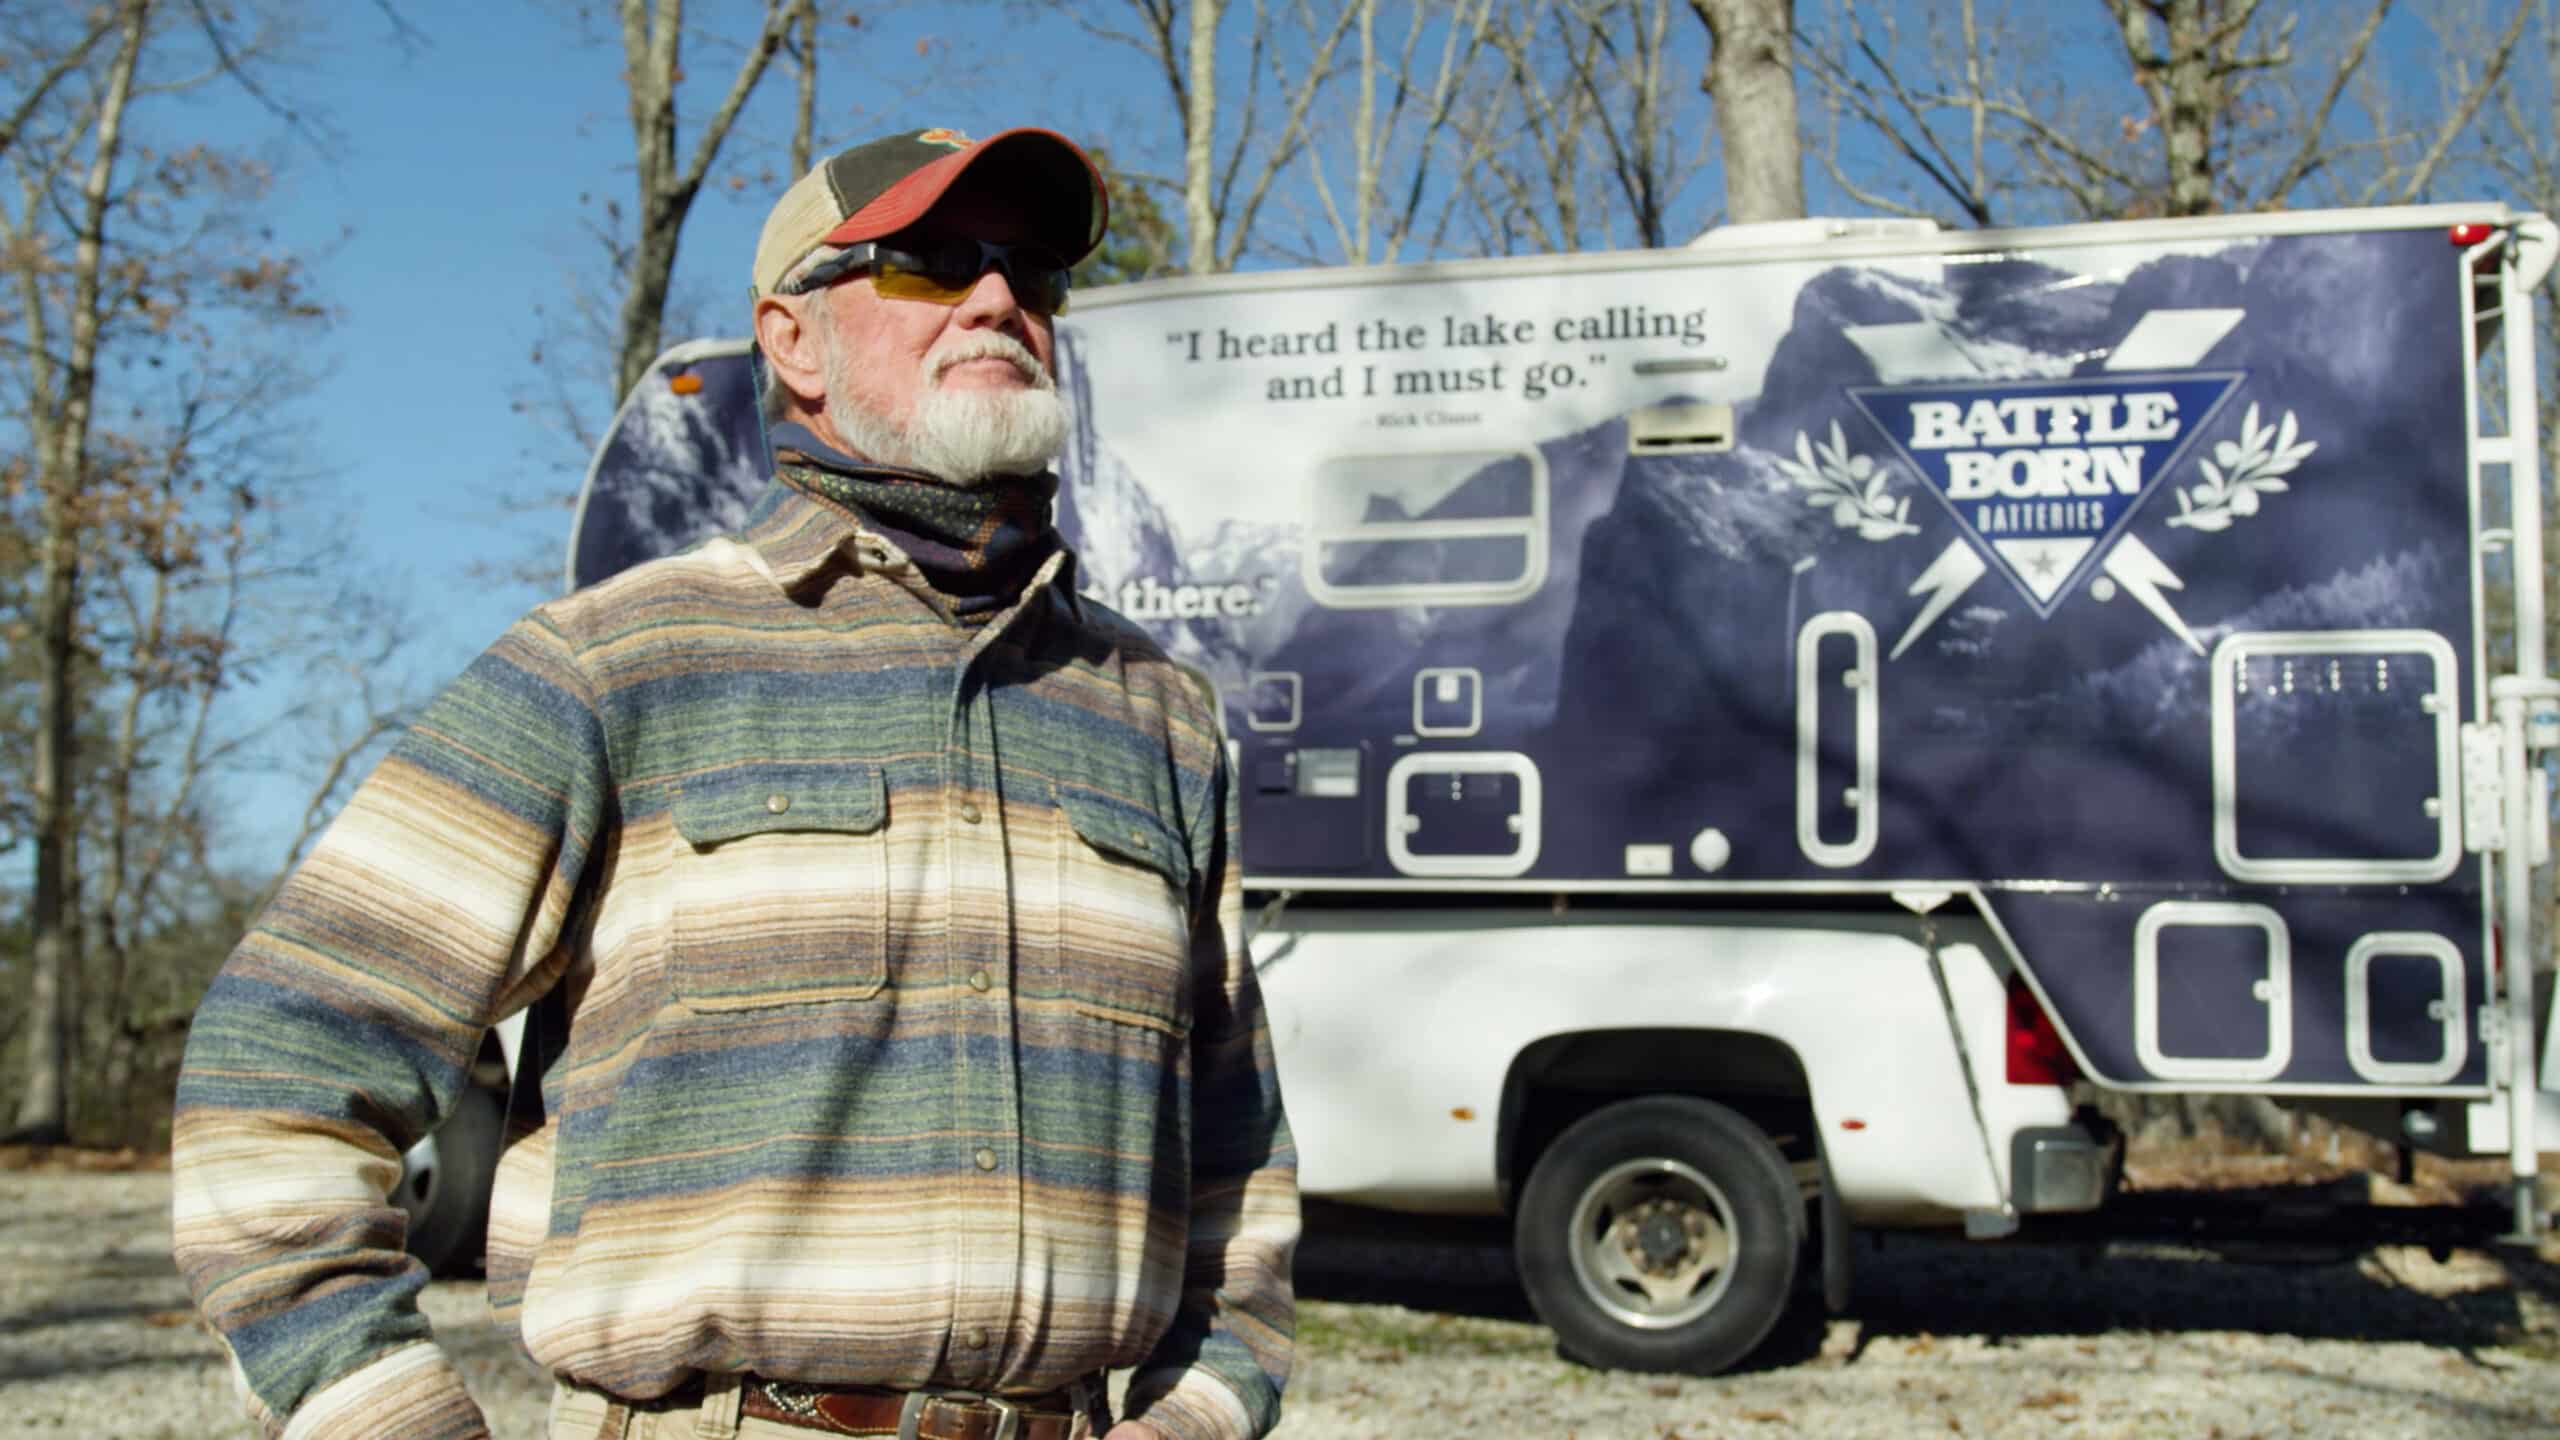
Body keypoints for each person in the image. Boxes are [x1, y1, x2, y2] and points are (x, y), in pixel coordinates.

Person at [170, 126, 1297, 1440]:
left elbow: (1239, 1174)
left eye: (1032, 271)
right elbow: (278, 1070)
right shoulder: (609, 666)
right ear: (794, 340)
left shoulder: (1156, 715)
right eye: (934, 261)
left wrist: (1201, 1416)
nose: (1001, 300)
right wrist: (385, 1411)